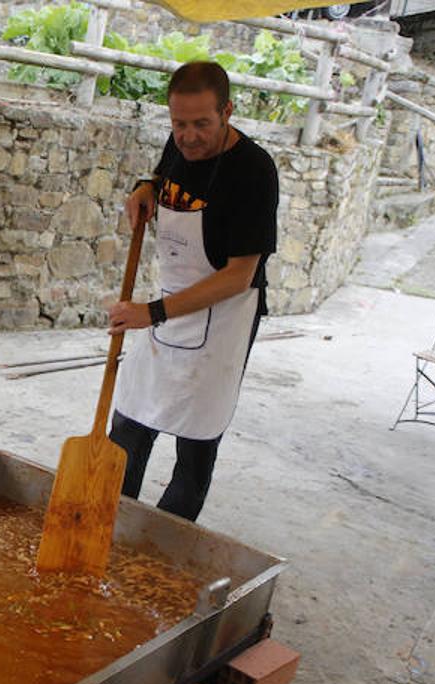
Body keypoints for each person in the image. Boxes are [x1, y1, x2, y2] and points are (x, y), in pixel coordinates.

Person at [106, 60, 279, 523]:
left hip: (224, 316)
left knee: (196, 441)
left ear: (227, 111)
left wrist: (154, 312)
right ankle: (111, 529)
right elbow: (167, 174)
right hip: (168, 306)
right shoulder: (181, 142)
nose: (189, 137)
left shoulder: (254, 171)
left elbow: (239, 275)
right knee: (129, 423)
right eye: (178, 124)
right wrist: (147, 186)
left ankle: (163, 550)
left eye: (202, 124)